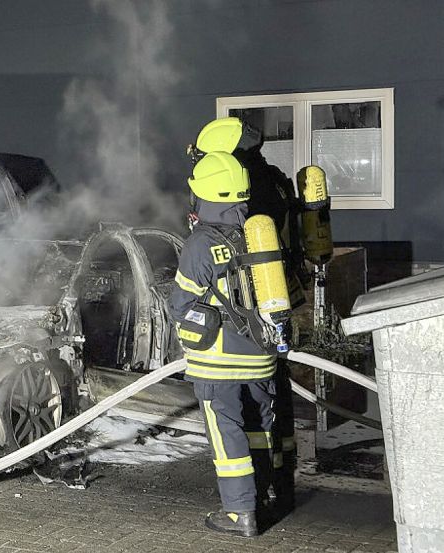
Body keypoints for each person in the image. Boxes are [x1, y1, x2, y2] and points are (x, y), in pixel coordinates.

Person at [193, 117, 299, 519]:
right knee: (271, 402)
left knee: (241, 413)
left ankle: (251, 499)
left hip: (246, 319)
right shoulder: (272, 179)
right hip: (279, 305)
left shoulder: (241, 193)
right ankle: (278, 484)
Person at [170, 150, 277, 537]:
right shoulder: (258, 232)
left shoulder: (201, 244)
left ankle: (238, 512)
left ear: (204, 196)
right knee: (258, 428)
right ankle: (264, 495)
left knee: (227, 432)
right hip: (262, 357)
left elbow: (180, 304)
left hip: (219, 362)